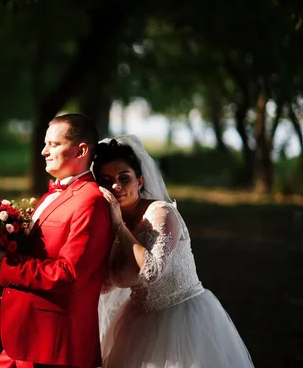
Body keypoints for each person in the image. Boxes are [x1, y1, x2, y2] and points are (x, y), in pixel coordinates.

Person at [93, 134, 254, 368]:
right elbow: (107, 285)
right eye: (106, 180)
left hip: (184, 320)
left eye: (124, 178)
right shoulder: (110, 222)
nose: (115, 186)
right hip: (137, 324)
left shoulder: (161, 213)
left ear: (140, 180)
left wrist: (118, 225)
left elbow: (151, 271)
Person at [0, 113, 112, 368]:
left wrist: (7, 265)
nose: (44, 151)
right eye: (45, 144)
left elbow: (68, 274)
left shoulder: (91, 202)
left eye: (53, 144)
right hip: (17, 335)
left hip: (48, 343)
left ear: (81, 151)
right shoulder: (49, 195)